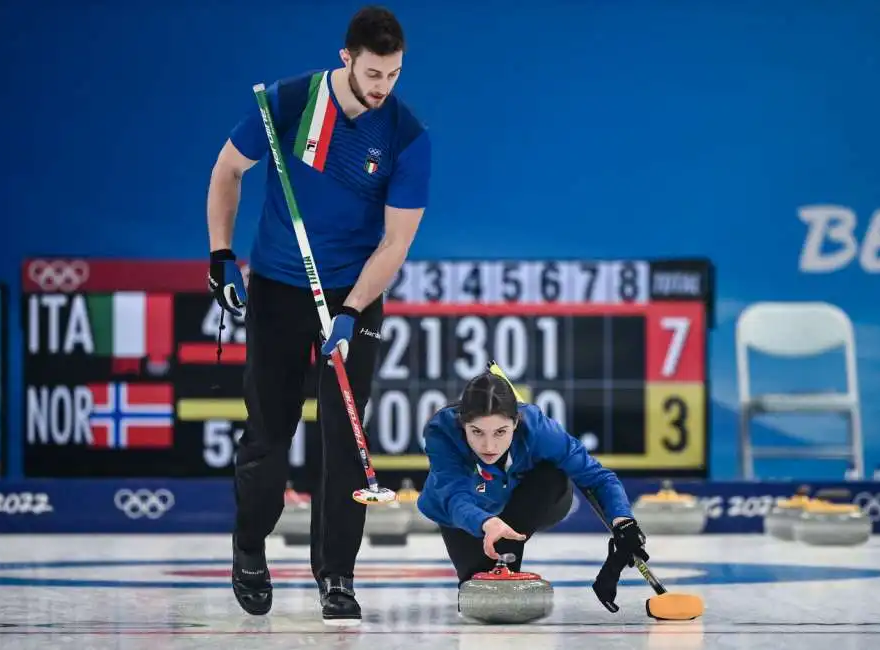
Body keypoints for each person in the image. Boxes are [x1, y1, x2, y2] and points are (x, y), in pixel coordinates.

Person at [205, 5, 431, 624]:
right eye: (374, 73)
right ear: (346, 58)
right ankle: (249, 547)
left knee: (346, 444)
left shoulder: (406, 137)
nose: (384, 87)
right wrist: (221, 255)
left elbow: (396, 244)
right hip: (278, 288)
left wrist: (353, 310)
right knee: (268, 437)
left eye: (394, 74)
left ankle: (336, 573)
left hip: (352, 296)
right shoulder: (289, 102)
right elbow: (228, 171)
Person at [416, 371, 650, 613]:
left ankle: (507, 558)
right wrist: (485, 522)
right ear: (462, 424)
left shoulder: (539, 430)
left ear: (515, 423)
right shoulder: (441, 432)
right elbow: (454, 498)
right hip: (465, 514)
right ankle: (495, 561)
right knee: (478, 596)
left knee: (552, 474)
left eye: (500, 432)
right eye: (477, 432)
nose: (489, 446)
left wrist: (624, 521)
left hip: (532, 502)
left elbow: (599, 478)